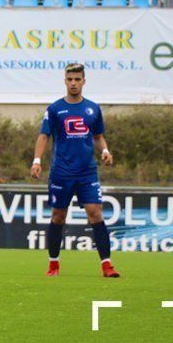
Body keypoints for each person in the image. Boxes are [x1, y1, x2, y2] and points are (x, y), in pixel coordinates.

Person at [30, 62, 120, 278]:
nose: (73, 83)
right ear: (65, 80)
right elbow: (44, 136)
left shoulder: (92, 108)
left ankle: (107, 265)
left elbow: (98, 136)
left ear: (83, 81)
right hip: (61, 171)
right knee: (58, 216)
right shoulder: (54, 109)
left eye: (77, 79)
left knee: (95, 213)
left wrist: (105, 150)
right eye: (70, 79)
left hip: (87, 172)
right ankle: (53, 264)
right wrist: (36, 160)